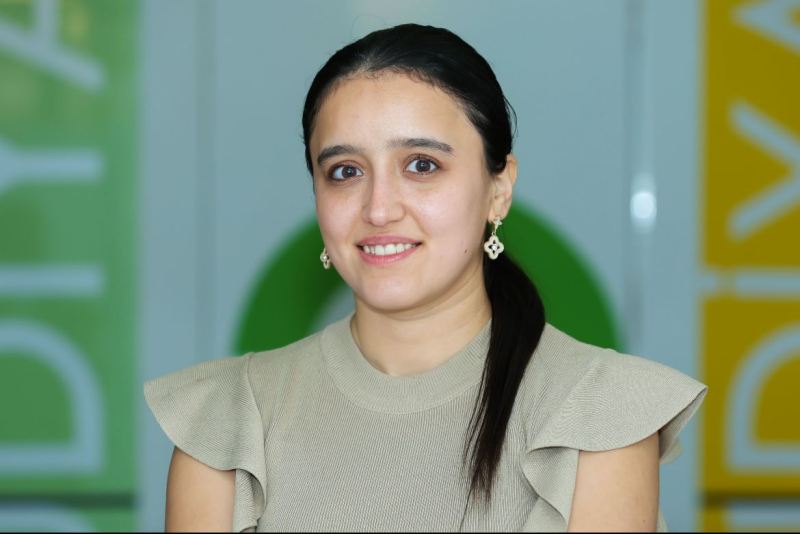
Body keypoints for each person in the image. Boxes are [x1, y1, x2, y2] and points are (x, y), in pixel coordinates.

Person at [145, 23, 708, 532]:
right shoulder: (227, 420)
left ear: (499, 189)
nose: (379, 208)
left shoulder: (598, 413)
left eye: (422, 165)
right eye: (345, 171)